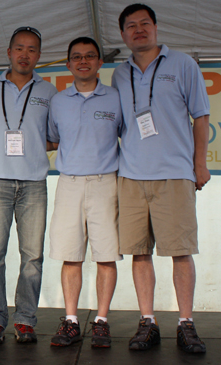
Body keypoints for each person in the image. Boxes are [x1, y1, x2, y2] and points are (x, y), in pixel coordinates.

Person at [112, 3, 210, 353]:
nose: (139, 30)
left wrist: (200, 165)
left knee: (180, 252)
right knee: (140, 253)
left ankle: (186, 323)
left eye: (145, 24)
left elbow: (201, 117)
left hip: (175, 174)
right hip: (132, 177)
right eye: (131, 26)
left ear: (156, 27)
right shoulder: (119, 74)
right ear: (123, 35)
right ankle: (147, 322)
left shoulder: (183, 64)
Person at [0, 26, 57, 344]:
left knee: (33, 256)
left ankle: (25, 319)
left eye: (32, 49)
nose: (25, 54)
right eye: (19, 48)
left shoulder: (50, 92)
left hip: (34, 183)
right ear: (9, 52)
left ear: (39, 55)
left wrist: (32, 148)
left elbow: (54, 138)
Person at [47, 37, 123, 348]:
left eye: (90, 56)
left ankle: (102, 321)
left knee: (106, 256)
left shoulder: (116, 98)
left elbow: (128, 138)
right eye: (76, 57)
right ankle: (72, 321)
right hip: (69, 183)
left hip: (107, 182)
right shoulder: (58, 101)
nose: (83, 61)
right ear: (68, 64)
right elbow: (52, 139)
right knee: (70, 255)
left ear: (99, 63)